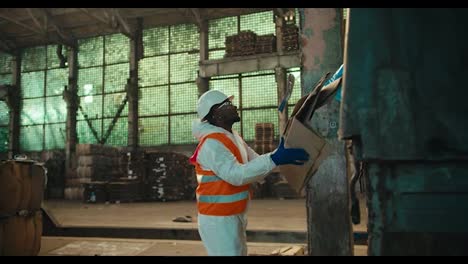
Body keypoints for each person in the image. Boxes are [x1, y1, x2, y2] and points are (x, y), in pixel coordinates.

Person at [190, 90, 310, 256]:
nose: (234, 106)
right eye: (228, 104)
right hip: (218, 219)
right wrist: (275, 158)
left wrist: (281, 159)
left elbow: (255, 163)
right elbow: (236, 175)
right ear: (215, 113)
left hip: (234, 214)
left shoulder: (233, 137)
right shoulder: (211, 144)